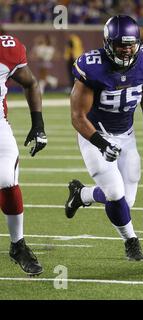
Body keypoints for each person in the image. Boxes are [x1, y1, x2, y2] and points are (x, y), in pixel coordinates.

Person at [64, 15, 143, 261]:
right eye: (121, 44)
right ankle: (131, 241)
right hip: (95, 136)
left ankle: (82, 195)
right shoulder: (92, 67)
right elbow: (77, 116)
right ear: (108, 43)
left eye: (130, 44)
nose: (126, 49)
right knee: (114, 193)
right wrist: (101, 143)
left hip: (127, 136)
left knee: (126, 201)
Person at [0, 33, 47, 276]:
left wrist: (37, 124)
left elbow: (30, 82)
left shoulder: (6, 48)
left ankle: (18, 245)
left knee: (7, 179)